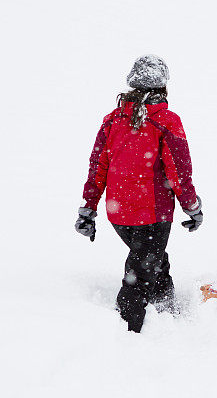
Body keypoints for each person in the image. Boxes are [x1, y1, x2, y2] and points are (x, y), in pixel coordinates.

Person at [75, 54, 203, 333]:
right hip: (152, 213)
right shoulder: (167, 121)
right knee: (140, 271)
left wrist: (88, 208)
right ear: (163, 87)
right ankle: (127, 332)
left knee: (152, 259)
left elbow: (97, 166)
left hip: (118, 213)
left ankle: (167, 308)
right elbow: (179, 172)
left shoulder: (112, 120)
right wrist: (192, 207)